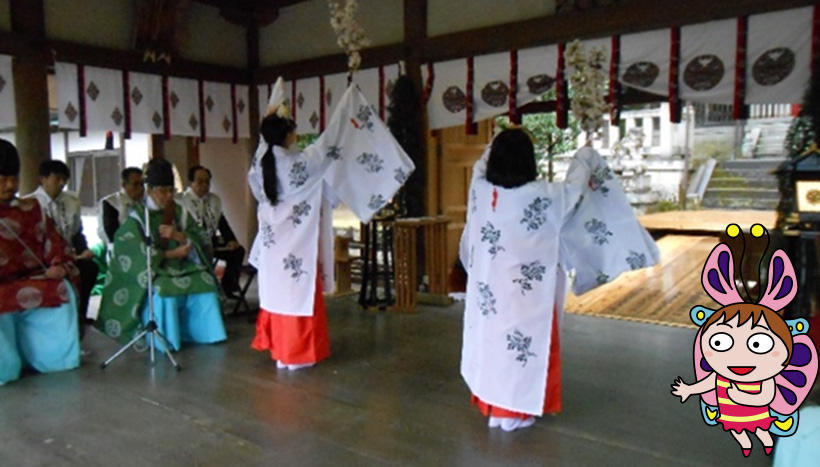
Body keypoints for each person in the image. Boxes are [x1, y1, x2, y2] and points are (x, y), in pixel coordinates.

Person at [459, 129, 659, 431]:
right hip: (527, 296)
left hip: (490, 291)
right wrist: (586, 155)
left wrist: (495, 145)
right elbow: (577, 189)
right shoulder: (546, 197)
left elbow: (480, 163)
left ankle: (495, 408)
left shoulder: (480, 190)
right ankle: (514, 412)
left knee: (492, 345)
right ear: (529, 161)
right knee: (524, 349)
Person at [248, 77, 415, 371]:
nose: (297, 136)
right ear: (286, 135)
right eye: (293, 131)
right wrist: (348, 104)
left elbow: (268, 141)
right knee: (298, 294)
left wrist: (273, 110)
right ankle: (296, 354)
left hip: (274, 246)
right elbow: (329, 147)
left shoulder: (261, 161)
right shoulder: (296, 164)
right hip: (296, 246)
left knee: (278, 295)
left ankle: (280, 352)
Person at [96, 157, 226, 351]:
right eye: (161, 191)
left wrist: (180, 236)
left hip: (182, 265)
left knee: (206, 282)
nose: (167, 196)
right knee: (165, 290)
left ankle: (206, 334)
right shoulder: (138, 217)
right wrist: (170, 254)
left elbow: (201, 239)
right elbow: (131, 251)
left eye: (170, 191)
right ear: (149, 191)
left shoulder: (180, 212)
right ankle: (168, 339)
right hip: (157, 269)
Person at [0, 139, 81, 385]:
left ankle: (55, 360)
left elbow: (54, 242)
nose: (11, 185)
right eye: (2, 179)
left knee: (61, 288)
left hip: (33, 277)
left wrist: (58, 264)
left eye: (14, 178)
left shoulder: (32, 208)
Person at [24, 160, 98, 339]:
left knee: (90, 268)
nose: (62, 183)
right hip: (42, 261)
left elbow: (77, 233)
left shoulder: (72, 201)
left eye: (64, 179)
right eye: (57, 178)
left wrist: (84, 249)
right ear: (43, 179)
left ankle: (80, 315)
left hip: (68, 257)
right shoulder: (29, 204)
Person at [178, 165, 245, 297]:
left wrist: (231, 240)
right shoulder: (182, 200)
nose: (204, 185)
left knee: (237, 251)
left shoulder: (214, 200)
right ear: (191, 182)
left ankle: (228, 287)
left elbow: (221, 222)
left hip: (211, 241)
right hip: (192, 244)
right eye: (200, 181)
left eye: (207, 181)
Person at [98, 167, 144, 247]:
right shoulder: (111, 203)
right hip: (119, 250)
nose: (140, 188)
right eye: (135, 184)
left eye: (142, 184)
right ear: (123, 184)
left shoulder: (145, 202)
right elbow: (112, 235)